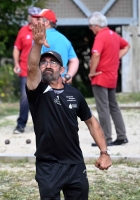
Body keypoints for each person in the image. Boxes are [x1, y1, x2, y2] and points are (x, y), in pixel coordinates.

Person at [27, 22, 112, 199]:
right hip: (48, 166)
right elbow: (31, 68)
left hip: (75, 165)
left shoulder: (74, 94)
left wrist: (104, 152)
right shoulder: (37, 91)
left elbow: (92, 122)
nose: (47, 65)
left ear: (62, 69)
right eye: (44, 62)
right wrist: (37, 44)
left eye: (53, 62)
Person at [88, 12, 130, 147]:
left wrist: (92, 71)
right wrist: (116, 57)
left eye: (90, 26)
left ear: (96, 25)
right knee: (114, 106)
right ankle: (122, 135)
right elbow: (127, 46)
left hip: (100, 76)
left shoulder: (100, 36)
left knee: (103, 108)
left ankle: (106, 137)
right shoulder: (114, 35)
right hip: (112, 76)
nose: (90, 29)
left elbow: (96, 54)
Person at [12, 6, 41, 134]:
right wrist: (16, 64)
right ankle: (21, 124)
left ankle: (41, 125)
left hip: (41, 71)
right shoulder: (23, 31)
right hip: (25, 70)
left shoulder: (44, 30)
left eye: (38, 17)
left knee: (43, 98)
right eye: (33, 17)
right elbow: (17, 48)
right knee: (25, 98)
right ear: (29, 17)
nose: (35, 20)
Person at [32, 9, 79, 84]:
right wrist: (69, 75)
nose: (35, 22)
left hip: (46, 83)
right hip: (62, 82)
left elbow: (36, 62)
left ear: (46, 22)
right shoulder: (64, 39)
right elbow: (74, 60)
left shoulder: (39, 38)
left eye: (38, 20)